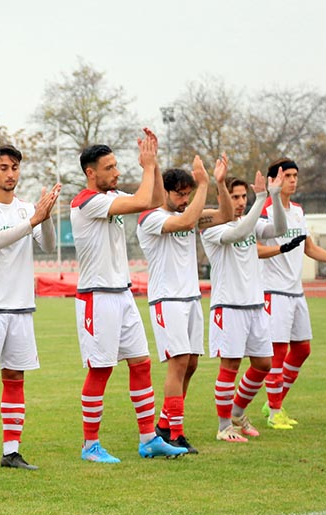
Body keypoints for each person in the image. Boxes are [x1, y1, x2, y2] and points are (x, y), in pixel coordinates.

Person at [69, 130, 188, 463]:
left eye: (117, 165)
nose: (116, 172)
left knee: (141, 363)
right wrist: (148, 167)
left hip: (121, 294)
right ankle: (90, 445)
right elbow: (140, 201)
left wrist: (153, 163)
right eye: (109, 167)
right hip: (97, 297)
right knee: (101, 370)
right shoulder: (86, 201)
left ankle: (149, 438)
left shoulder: (111, 196)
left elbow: (152, 201)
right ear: (91, 173)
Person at [0, 145, 61, 473]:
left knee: (15, 378)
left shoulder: (26, 209)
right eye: (3, 167)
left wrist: (45, 216)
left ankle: (11, 451)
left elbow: (47, 245)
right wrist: (34, 218)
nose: (10, 174)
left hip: (20, 308)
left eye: (15, 167)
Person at [255, 158, 326, 429]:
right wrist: (280, 249)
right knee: (277, 353)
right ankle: (274, 412)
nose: (292, 180)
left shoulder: (299, 211)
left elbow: (308, 247)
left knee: (302, 349)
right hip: (275, 293)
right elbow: (254, 248)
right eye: (286, 175)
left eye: (294, 175)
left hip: (296, 292)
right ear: (273, 181)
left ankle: (274, 401)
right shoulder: (265, 210)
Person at [135, 155, 230, 454]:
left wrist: (218, 183)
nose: (185, 199)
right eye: (179, 193)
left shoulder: (188, 210)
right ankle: (175, 433)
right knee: (177, 363)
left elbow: (227, 215)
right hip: (167, 300)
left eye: (188, 193)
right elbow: (187, 221)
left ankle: (165, 424)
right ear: (164, 191)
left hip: (189, 298)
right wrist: (202, 185)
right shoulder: (151, 217)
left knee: (191, 364)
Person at [200, 169, 289, 441]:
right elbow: (238, 233)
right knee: (230, 365)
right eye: (234, 196)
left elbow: (280, 230)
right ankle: (223, 426)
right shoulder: (211, 225)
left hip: (254, 305)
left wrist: (272, 196)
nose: (240, 201)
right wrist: (261, 198)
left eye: (243, 196)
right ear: (221, 196)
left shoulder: (248, 220)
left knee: (264, 363)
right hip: (229, 307)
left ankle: (237, 413)